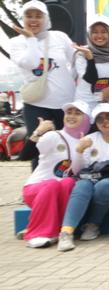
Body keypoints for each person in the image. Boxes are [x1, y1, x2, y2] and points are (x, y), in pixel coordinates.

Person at [9, 0, 78, 166]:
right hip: (36, 105)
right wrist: (31, 39)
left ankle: (66, 185)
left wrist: (71, 80)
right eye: (29, 16)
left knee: (67, 146)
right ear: (23, 18)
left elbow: (76, 60)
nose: (33, 20)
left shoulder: (60, 37)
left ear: (46, 18)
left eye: (38, 16)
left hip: (65, 104)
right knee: (40, 148)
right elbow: (31, 63)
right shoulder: (16, 42)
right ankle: (39, 187)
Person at [58, 103, 109, 251]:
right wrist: (79, 150)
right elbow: (76, 171)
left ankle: (93, 224)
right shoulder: (89, 139)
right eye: (100, 119)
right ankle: (66, 232)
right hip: (89, 180)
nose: (105, 121)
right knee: (81, 185)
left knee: (105, 185)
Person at [21, 101, 89, 248]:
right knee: (53, 184)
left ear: (87, 118)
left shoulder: (88, 142)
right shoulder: (53, 136)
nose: (72, 116)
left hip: (60, 191)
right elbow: (25, 155)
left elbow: (75, 171)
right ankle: (39, 233)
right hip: (37, 189)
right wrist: (37, 133)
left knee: (69, 182)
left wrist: (80, 151)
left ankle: (61, 228)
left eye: (78, 113)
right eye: (69, 112)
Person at [72, 14, 109, 113]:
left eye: (103, 32)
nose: (99, 36)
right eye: (95, 32)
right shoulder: (82, 53)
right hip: (86, 108)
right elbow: (90, 78)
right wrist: (90, 58)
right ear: (89, 34)